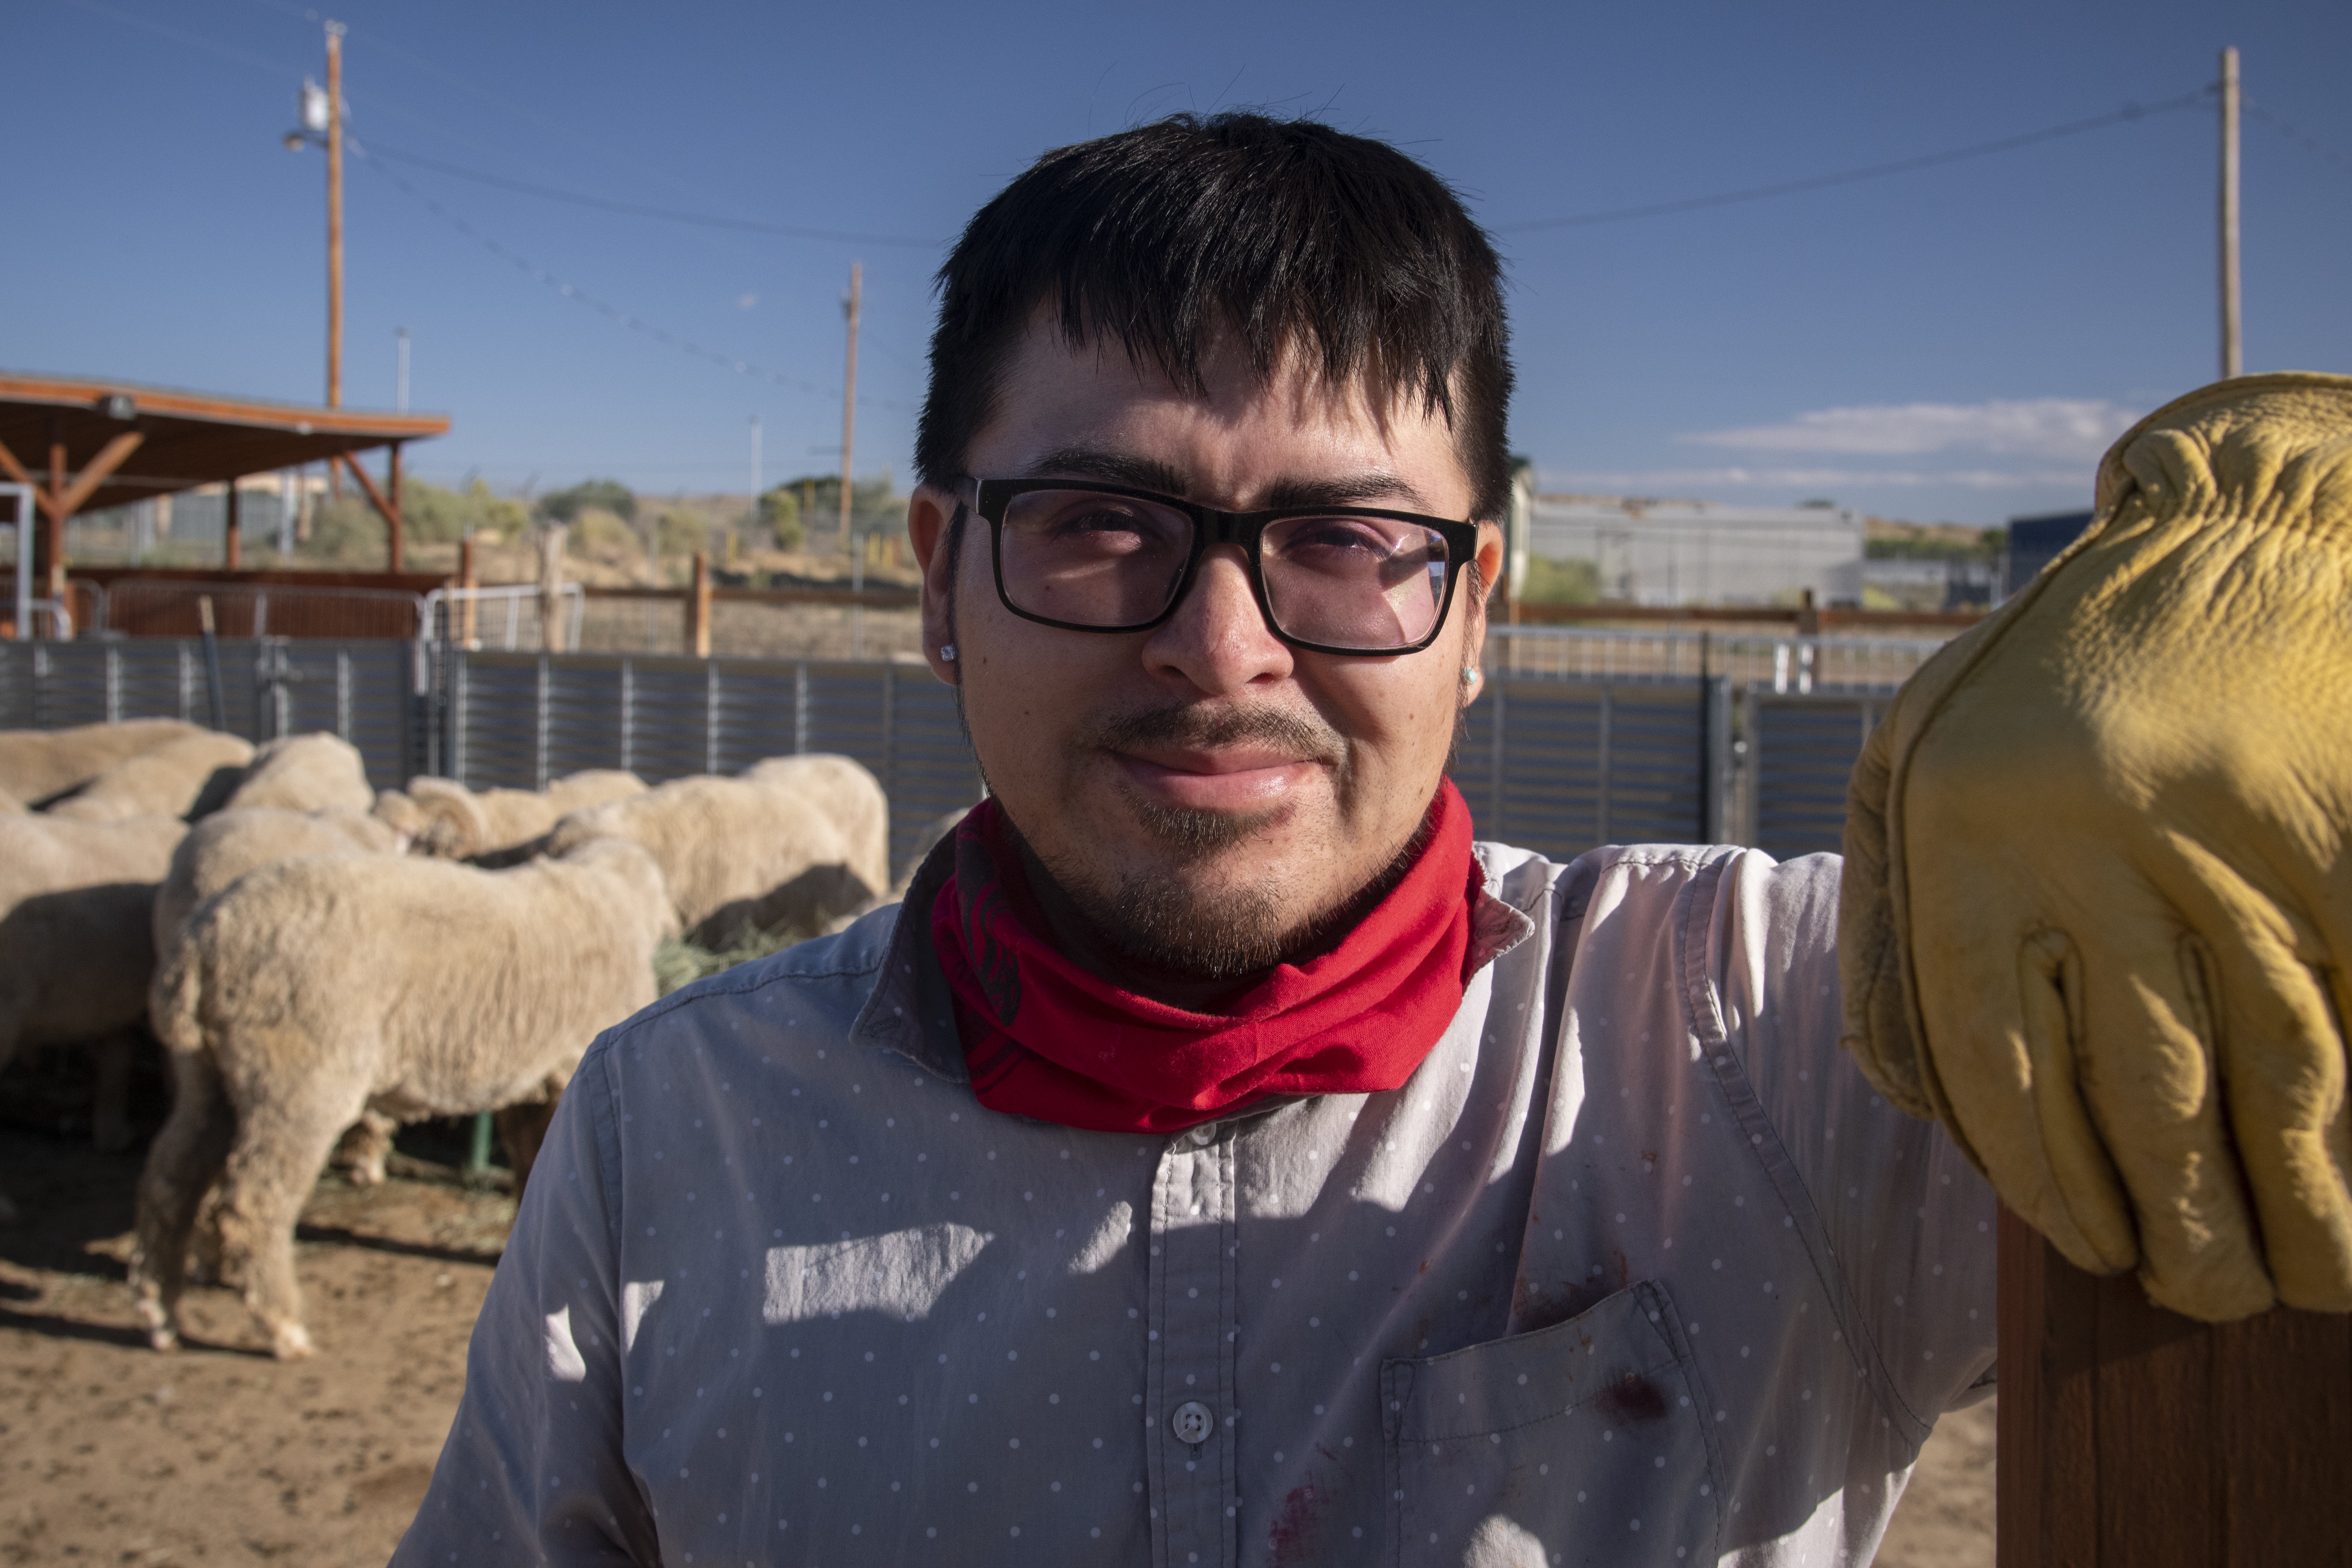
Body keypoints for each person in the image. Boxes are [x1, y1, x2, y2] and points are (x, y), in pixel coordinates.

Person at [392, 113, 2347, 1567]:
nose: (1220, 649)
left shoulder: (1777, 1036)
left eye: (1348, 543)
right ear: (936, 575)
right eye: (1098, 520)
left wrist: (2299, 562)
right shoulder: (676, 1131)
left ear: (1477, 608)